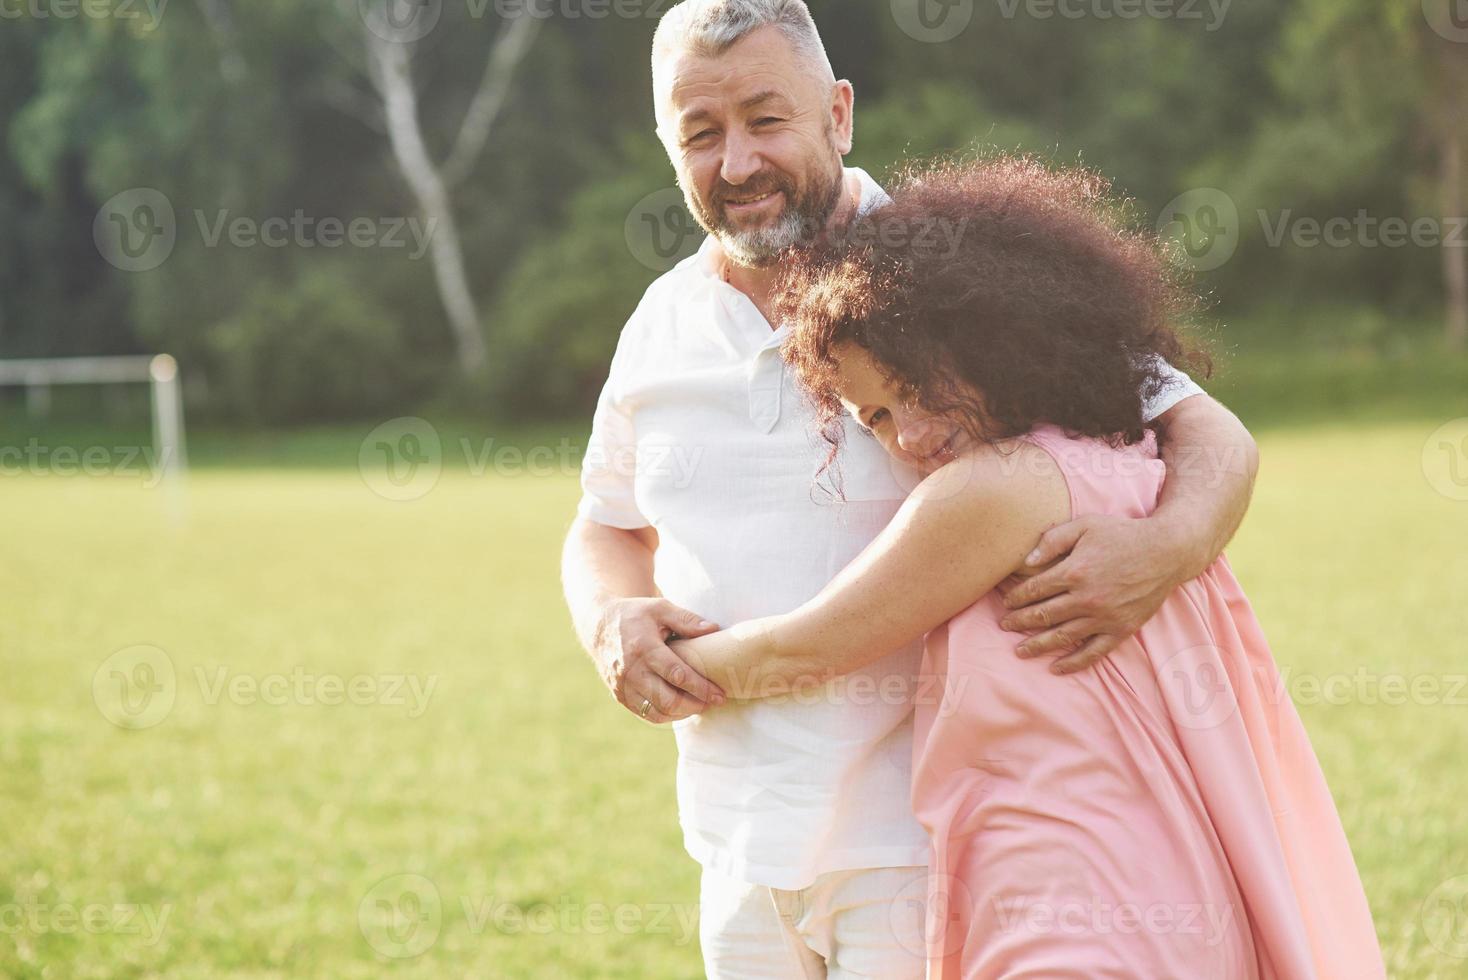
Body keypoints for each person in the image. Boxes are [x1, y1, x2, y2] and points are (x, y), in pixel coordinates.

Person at [561, 1, 1258, 974]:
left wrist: (1169, 545)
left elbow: (1202, 426)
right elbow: (603, 522)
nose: (737, 163)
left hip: (923, 843)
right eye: (701, 134)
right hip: (735, 841)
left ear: (837, 114)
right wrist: (608, 620)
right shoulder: (660, 320)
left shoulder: (950, 268)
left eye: (767, 119)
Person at [670, 155, 1386, 978]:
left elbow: (805, 649)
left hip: (1073, 894)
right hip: (1166, 879)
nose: (906, 436)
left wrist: (661, 659)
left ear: (985, 336)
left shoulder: (997, 490)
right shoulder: (1128, 457)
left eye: (912, 387)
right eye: (872, 417)